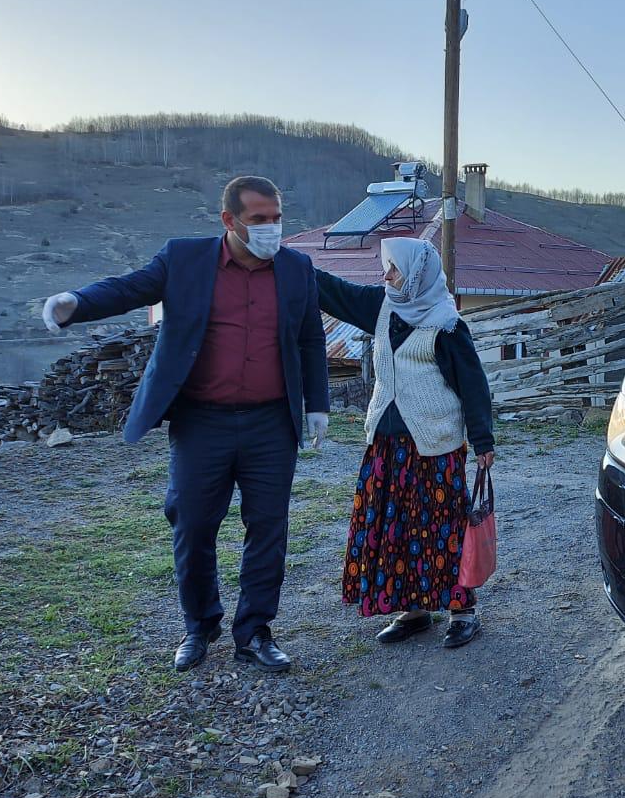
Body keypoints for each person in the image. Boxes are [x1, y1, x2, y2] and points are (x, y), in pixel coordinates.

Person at [40, 175, 330, 673]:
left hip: (269, 423)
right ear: (229, 220)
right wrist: (76, 303)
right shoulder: (185, 259)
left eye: (277, 217)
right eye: (258, 220)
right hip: (202, 423)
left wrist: (317, 403)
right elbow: (129, 288)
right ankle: (200, 625)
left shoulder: (296, 269)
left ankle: (255, 631)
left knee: (268, 528)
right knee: (192, 525)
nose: (271, 229)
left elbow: (308, 340)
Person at [316, 237, 494, 648]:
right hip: (386, 445)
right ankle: (413, 610)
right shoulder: (381, 307)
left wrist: (483, 442)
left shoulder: (447, 325)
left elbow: (473, 386)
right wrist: (284, 261)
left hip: (434, 446)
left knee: (442, 527)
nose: (386, 275)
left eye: (394, 268)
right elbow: (331, 290)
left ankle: (462, 610)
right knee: (394, 528)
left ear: (416, 273)